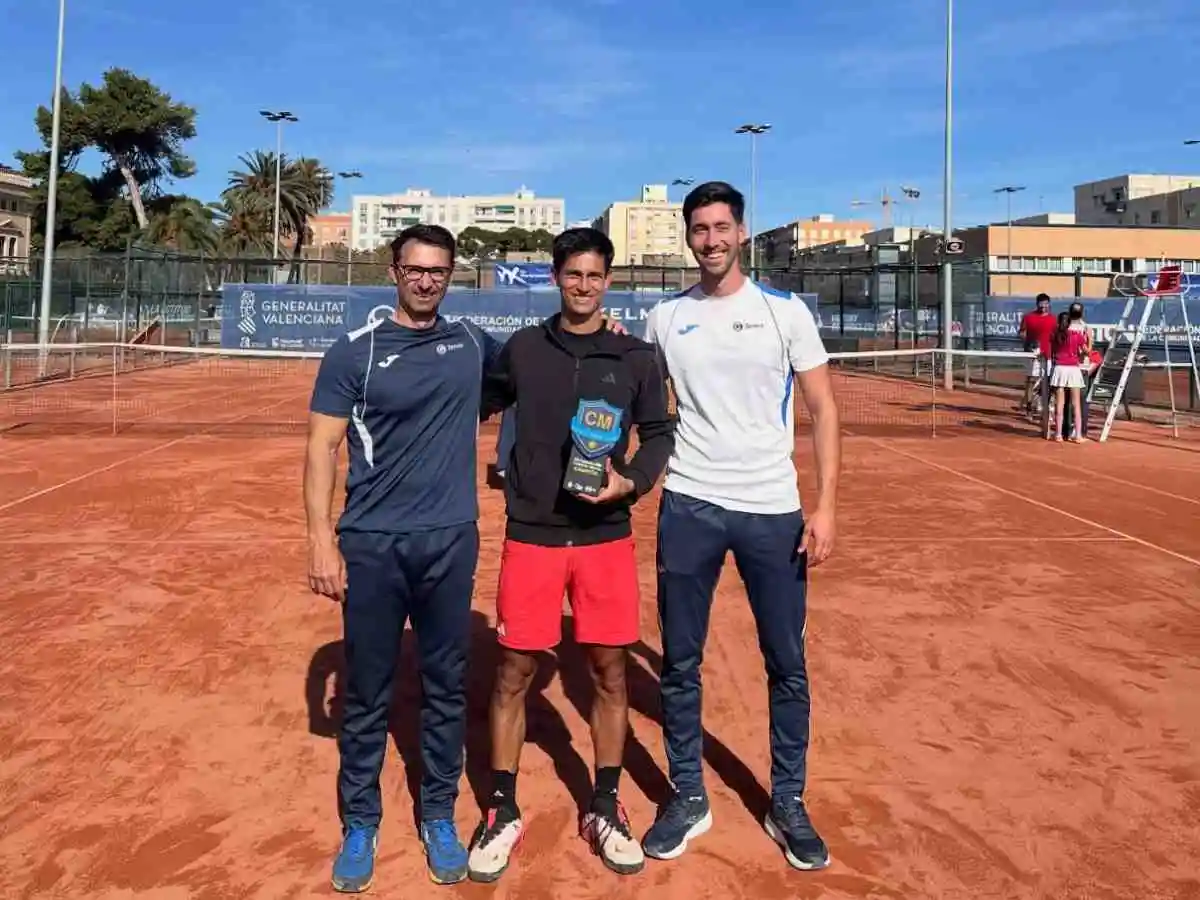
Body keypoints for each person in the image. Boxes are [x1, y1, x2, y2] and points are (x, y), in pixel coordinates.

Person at [640, 181, 841, 871]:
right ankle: (688, 795)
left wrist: (826, 505)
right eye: (700, 229)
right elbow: (647, 406)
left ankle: (788, 801)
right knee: (680, 662)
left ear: (742, 231)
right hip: (689, 505)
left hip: (773, 510)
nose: (711, 240)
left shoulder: (784, 313)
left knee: (786, 664)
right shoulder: (664, 319)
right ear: (688, 236)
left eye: (722, 227)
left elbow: (822, 408)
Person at [466, 227, 676, 882]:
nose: (584, 286)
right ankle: (501, 808)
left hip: (605, 538)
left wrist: (632, 482)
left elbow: (661, 435)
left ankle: (606, 803)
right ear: (556, 277)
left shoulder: (635, 356)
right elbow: (471, 405)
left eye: (595, 275)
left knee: (610, 670)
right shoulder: (523, 351)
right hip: (532, 535)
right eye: (573, 274)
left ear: (607, 280)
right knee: (512, 673)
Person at [305, 223, 501, 892]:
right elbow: (321, 450)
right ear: (394, 271)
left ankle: (438, 814)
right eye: (416, 269)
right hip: (372, 544)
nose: (426, 281)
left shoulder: (473, 343)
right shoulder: (353, 353)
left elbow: (538, 372)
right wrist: (320, 540)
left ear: (451, 276)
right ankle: (361, 822)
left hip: (450, 541)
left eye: (439, 271)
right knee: (367, 691)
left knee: (446, 688)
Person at [1048, 303, 1091, 443]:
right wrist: (1089, 338)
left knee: (1059, 404)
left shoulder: (1054, 335)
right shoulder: (1077, 335)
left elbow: (1052, 350)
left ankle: (1059, 434)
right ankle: (1078, 436)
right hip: (1073, 369)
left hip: (1059, 369)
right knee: (1076, 404)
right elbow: (1087, 351)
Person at [1018, 293, 1056, 418]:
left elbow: (1056, 336)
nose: (1044, 306)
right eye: (1041, 303)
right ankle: (1029, 408)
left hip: (1048, 355)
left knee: (1048, 382)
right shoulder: (1028, 317)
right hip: (1032, 354)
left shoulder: (1053, 319)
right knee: (1030, 380)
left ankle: (1047, 408)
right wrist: (1028, 342)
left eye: (1046, 303)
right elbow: (1022, 333)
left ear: (1049, 304)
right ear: (1037, 304)